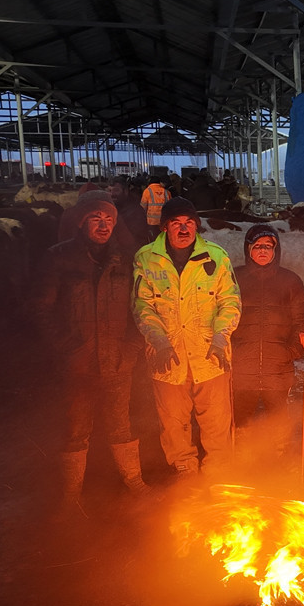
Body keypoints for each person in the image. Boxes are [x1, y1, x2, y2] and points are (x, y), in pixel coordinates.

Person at [37, 197, 149, 513]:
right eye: (95, 218)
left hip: (117, 359)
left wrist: (132, 347)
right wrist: (68, 348)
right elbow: (41, 309)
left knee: (121, 424)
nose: (103, 225)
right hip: (78, 363)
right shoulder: (58, 258)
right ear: (81, 222)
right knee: (76, 428)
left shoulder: (126, 260)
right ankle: (71, 495)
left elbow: (140, 308)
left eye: (109, 219)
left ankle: (135, 483)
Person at [133, 198, 241, 477]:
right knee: (173, 420)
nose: (184, 229)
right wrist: (159, 342)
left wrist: (221, 338)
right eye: (176, 223)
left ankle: (218, 473)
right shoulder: (146, 258)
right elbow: (142, 306)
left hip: (210, 355)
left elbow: (230, 302)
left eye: (189, 223)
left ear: (197, 225)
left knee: (216, 419)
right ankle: (184, 470)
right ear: (164, 227)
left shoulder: (216, 257)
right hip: (167, 357)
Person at [231, 225, 304, 458]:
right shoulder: (234, 278)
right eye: (257, 246)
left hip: (278, 367)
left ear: (276, 249)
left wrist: (291, 351)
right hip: (242, 366)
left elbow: (302, 320)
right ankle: (241, 461)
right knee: (241, 420)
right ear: (248, 249)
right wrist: (232, 350)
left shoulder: (290, 281)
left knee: (278, 418)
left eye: (268, 246)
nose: (263, 250)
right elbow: (222, 314)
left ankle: (280, 459)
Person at [108, 176, 155, 247]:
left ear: (126, 191)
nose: (112, 194)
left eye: (116, 190)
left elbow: (139, 238)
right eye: (109, 190)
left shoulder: (135, 211)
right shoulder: (109, 208)